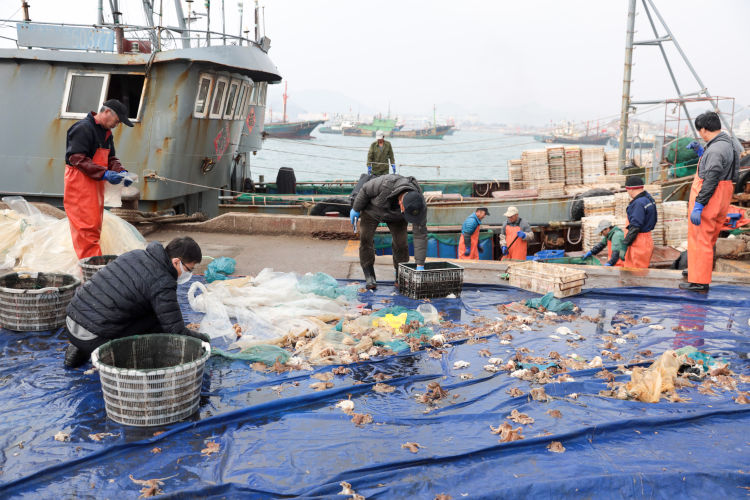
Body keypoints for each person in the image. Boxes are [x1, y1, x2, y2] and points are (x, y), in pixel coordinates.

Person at [63, 237, 210, 368]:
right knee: (156, 325)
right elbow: (175, 330)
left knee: (148, 310)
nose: (189, 274)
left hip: (72, 321)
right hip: (94, 336)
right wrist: (203, 339)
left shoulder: (136, 254)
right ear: (176, 262)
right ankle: (91, 349)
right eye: (189, 269)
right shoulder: (163, 282)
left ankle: (80, 346)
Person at [64, 99, 134, 260]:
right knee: (86, 229)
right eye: (117, 121)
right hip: (79, 186)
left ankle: (93, 267)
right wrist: (105, 174)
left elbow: (111, 158)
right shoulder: (83, 128)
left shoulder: (106, 133)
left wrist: (121, 172)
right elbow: (76, 158)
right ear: (107, 112)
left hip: (95, 186)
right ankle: (92, 271)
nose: (117, 124)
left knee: (94, 228)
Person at [681, 111, 741, 291]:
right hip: (723, 194)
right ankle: (697, 270)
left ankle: (699, 281)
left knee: (701, 239)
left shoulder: (714, 150)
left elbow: (711, 178)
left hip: (710, 197)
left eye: (700, 131)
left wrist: (700, 204)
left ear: (704, 129)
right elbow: (723, 169)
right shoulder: (728, 144)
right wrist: (702, 153)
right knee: (708, 237)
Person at [350, 174, 427, 290]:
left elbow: (420, 235)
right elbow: (365, 190)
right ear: (401, 204)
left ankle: (401, 275)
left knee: (401, 243)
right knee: (366, 238)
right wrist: (356, 209)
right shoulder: (386, 183)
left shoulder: (419, 204)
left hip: (397, 217)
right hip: (373, 210)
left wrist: (420, 264)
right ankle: (369, 274)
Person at [622, 176, 657, 268]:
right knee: (641, 269)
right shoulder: (649, 199)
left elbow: (635, 226)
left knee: (635, 272)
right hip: (647, 238)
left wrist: (625, 243)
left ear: (631, 189)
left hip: (638, 241)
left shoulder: (638, 203)